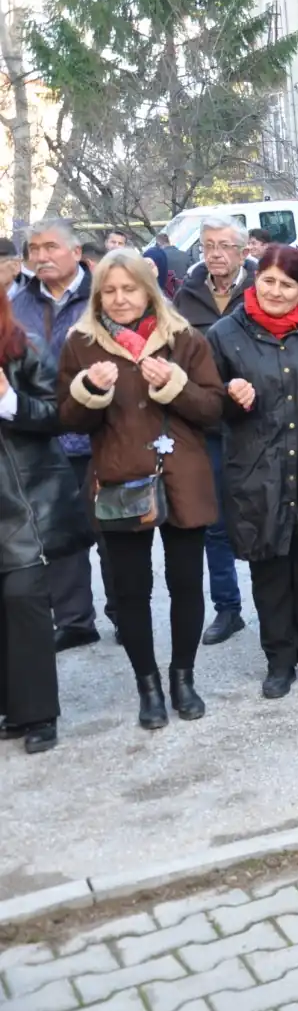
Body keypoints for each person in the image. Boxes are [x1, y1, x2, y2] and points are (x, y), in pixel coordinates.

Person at [57, 248, 226, 729]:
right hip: (119, 479)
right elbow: (68, 419)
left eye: (128, 289)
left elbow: (213, 410)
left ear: (147, 290)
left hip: (183, 475)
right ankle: (147, 686)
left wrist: (176, 384)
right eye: (109, 291)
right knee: (131, 591)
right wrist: (90, 389)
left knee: (186, 585)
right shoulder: (82, 344)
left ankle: (182, 679)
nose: (119, 299)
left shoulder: (184, 337)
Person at [207, 245, 298, 697]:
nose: (275, 291)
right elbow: (203, 401)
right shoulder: (224, 334)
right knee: (269, 570)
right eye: (268, 280)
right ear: (257, 280)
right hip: (257, 468)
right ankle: (278, 660)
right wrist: (228, 396)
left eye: (287, 285)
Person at [10, 219, 116, 651]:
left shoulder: (107, 295)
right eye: (34, 249)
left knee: (114, 529)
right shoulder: (17, 303)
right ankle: (74, 619)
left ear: (76, 252)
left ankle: (123, 614)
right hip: (44, 437)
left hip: (102, 435)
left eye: (50, 247)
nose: (41, 256)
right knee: (58, 531)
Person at [0, 298, 96, 754]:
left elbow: (59, 415)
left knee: (22, 600)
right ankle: (11, 708)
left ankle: (38, 713)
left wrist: (6, 400)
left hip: (18, 503)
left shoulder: (21, 346)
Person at [172, 216, 255, 647]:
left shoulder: (263, 289)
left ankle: (274, 602)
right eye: (208, 245)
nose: (215, 253)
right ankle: (228, 608)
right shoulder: (185, 297)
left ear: (244, 251)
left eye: (225, 245)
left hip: (257, 421)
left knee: (262, 516)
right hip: (207, 423)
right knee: (215, 523)